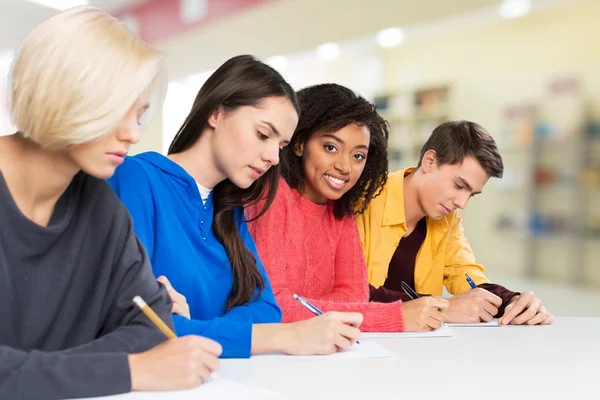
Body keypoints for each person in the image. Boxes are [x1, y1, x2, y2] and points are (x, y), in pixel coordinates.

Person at [0, 6, 221, 400]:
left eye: (139, 115)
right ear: (63, 91)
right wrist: (127, 369)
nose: (133, 134)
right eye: (118, 110)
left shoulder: (101, 206)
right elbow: (140, 356)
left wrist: (35, 372)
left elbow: (153, 326)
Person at [108, 55, 363, 358]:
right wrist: (281, 337)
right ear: (216, 113)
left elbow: (267, 309)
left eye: (280, 146)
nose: (273, 157)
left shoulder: (228, 208)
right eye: (263, 135)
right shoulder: (136, 178)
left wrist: (196, 330)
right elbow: (136, 325)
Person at [247, 83, 448, 332]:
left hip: (326, 351)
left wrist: (307, 307)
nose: (345, 167)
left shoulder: (341, 210)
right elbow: (274, 306)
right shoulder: (271, 196)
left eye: (358, 156)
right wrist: (391, 316)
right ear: (299, 144)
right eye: (330, 147)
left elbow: (355, 298)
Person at [358, 120, 555, 326]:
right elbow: (348, 293)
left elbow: (466, 275)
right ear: (430, 161)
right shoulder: (362, 201)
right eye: (459, 185)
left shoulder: (446, 221)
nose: (462, 203)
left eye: (472, 194)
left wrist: (513, 302)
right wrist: (443, 307)